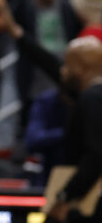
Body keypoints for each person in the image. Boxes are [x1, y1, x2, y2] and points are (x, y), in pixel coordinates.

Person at [46, 37, 102, 222]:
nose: (62, 71)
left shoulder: (92, 99)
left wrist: (65, 196)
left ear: (79, 68)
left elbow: (96, 155)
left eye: (67, 65)